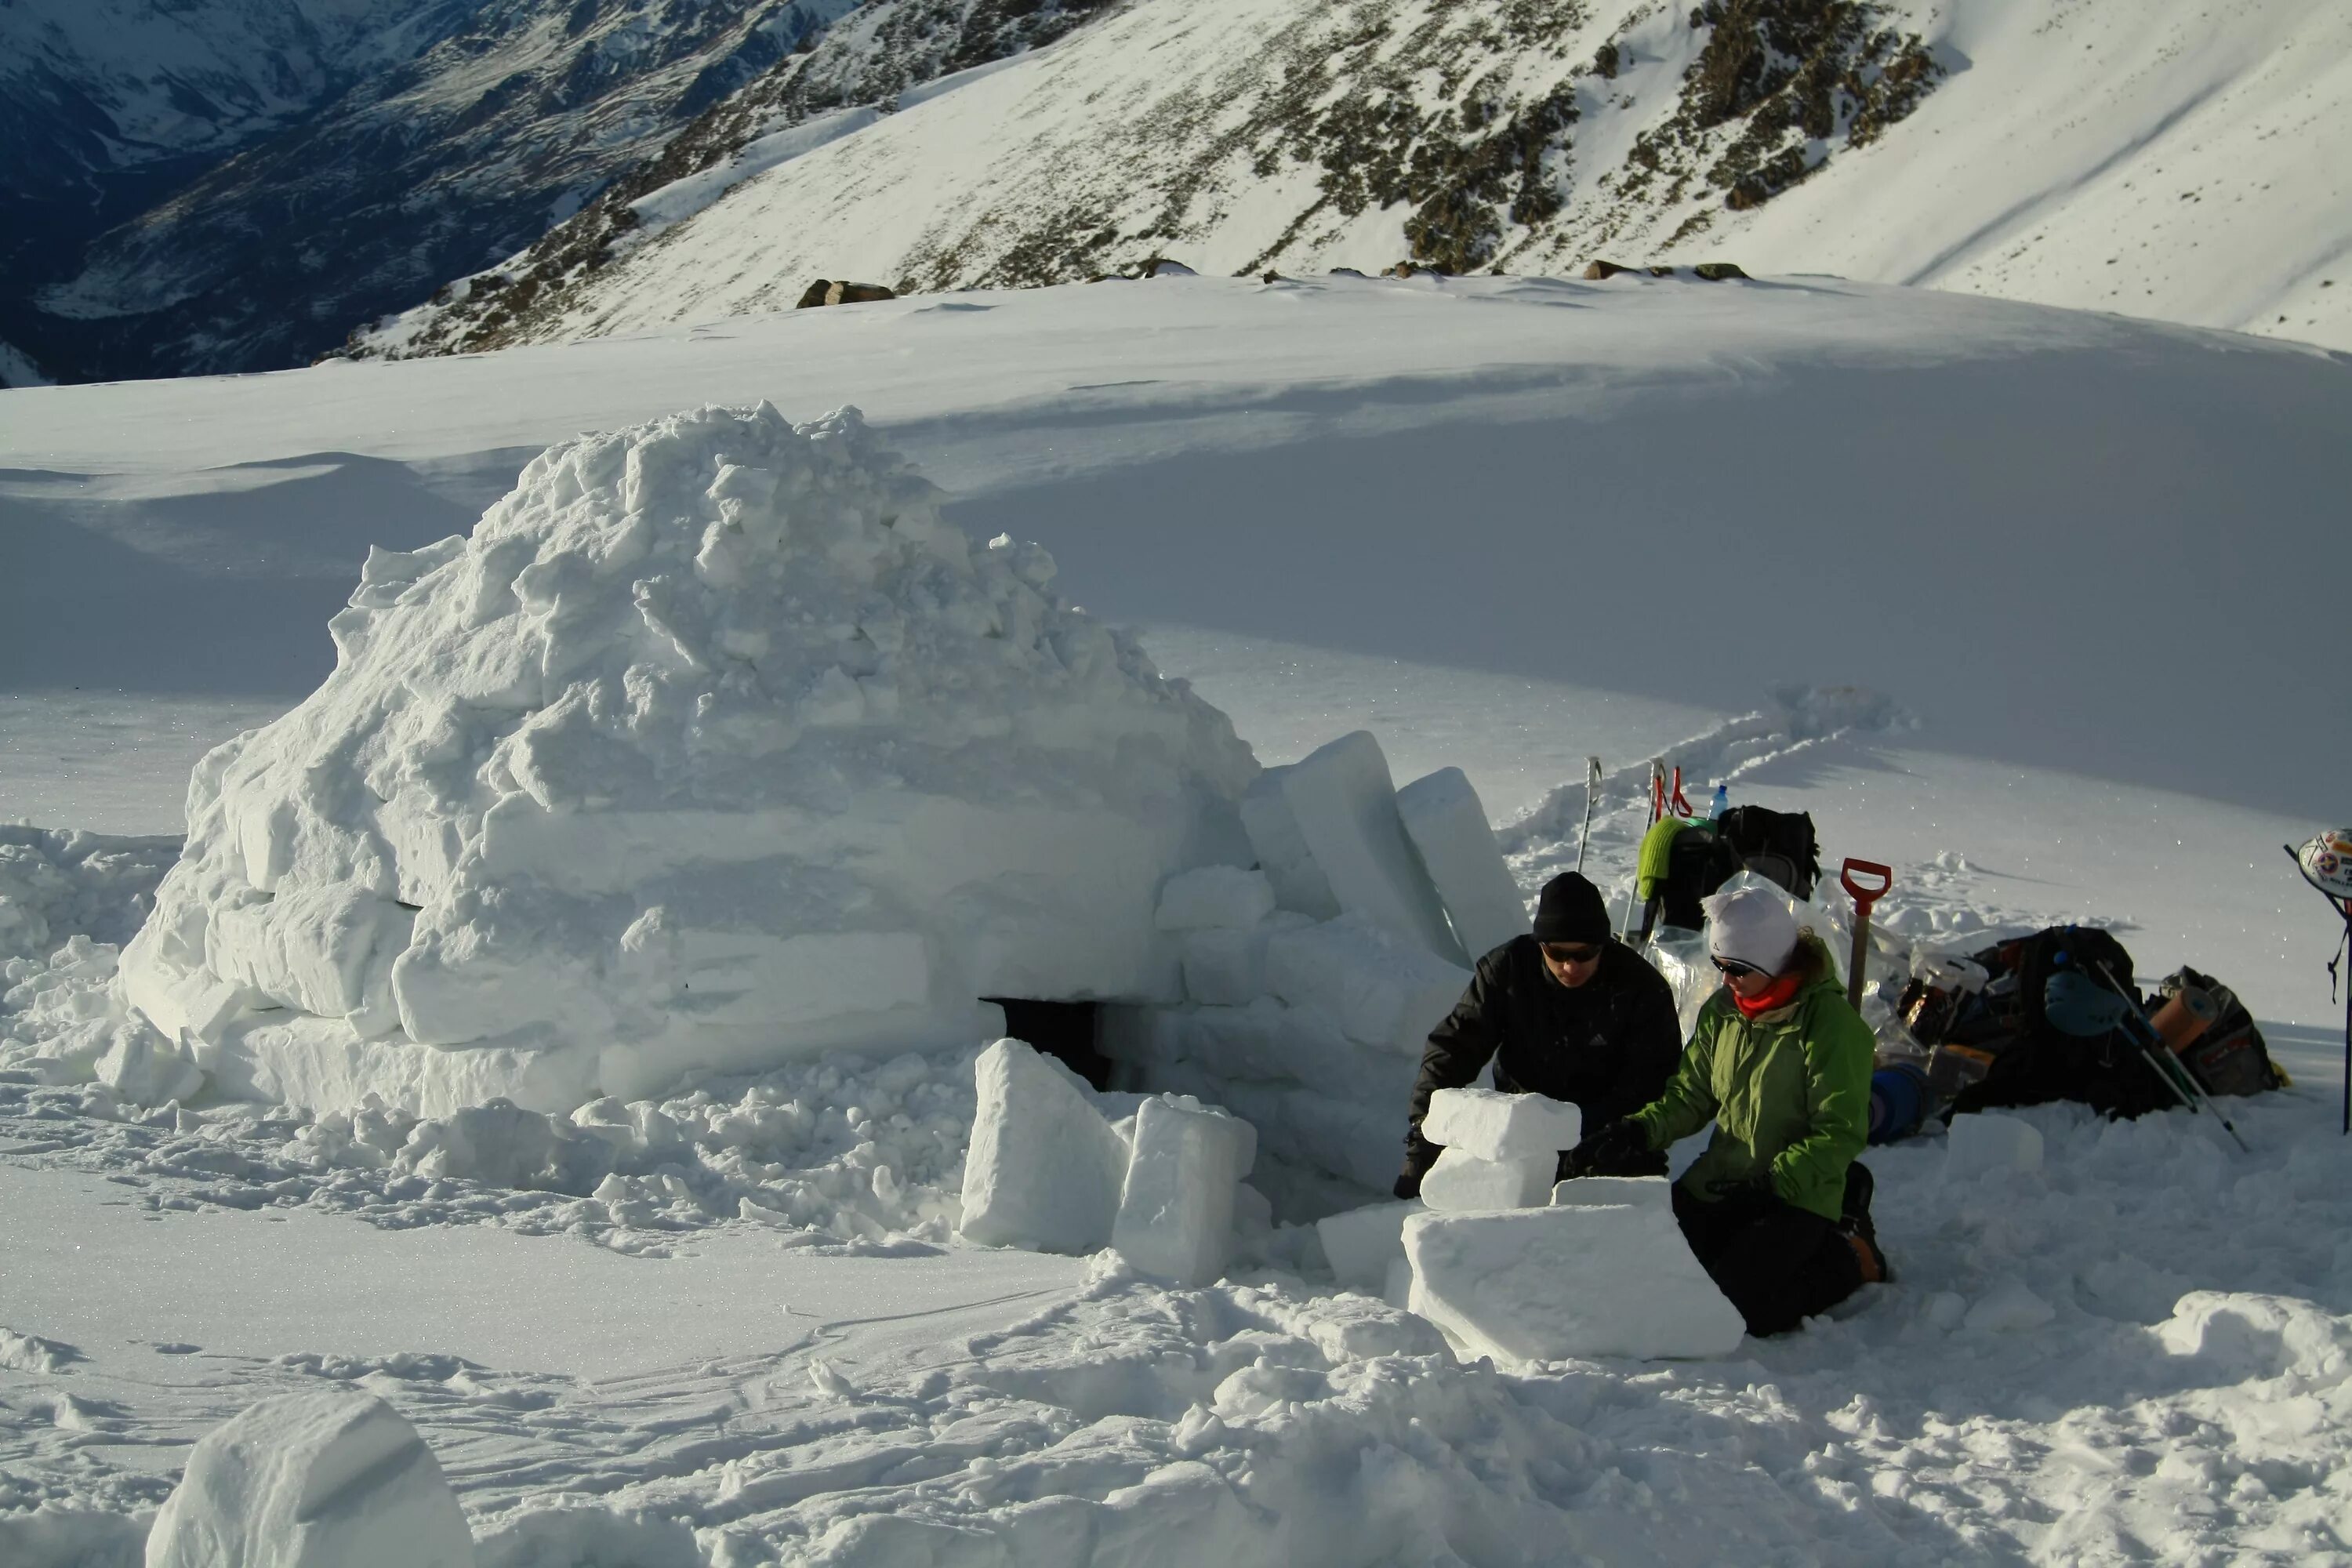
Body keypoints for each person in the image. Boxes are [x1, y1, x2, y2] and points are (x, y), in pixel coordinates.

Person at [1569, 882, 1889, 1336]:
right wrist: (1637, 1131)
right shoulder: (1724, 1012)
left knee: (1741, 1308)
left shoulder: (1831, 1027)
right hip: (1721, 1180)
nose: (1725, 979)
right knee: (1652, 1270)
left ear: (1776, 961)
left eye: (1737, 968)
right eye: (1719, 965)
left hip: (1794, 1192)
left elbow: (1838, 1131)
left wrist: (1776, 1182)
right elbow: (1692, 1095)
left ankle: (1849, 1254)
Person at [1395, 871, 1683, 1199]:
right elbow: (1456, 1046)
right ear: (1540, 945)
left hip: (1609, 1133)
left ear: (1604, 944)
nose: (1571, 967)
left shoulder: (1641, 988)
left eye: (1584, 954)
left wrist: (1597, 1136)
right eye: (1558, 954)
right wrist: (1425, 1130)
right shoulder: (1508, 969)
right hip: (1523, 1128)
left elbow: (1653, 1081)